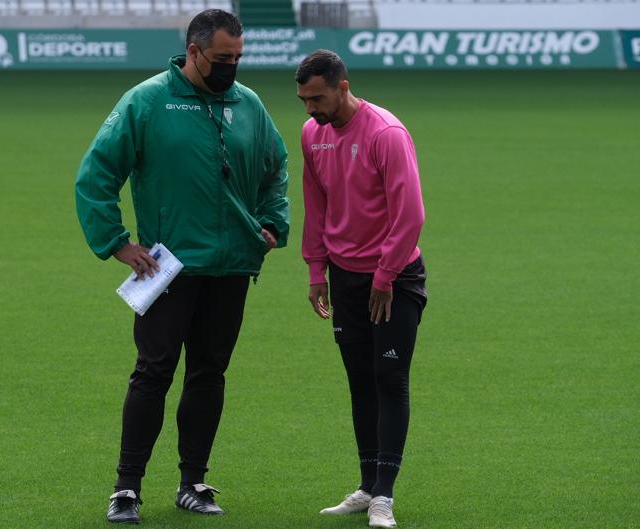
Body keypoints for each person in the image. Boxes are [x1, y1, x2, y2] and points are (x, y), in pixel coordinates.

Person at [75, 9, 289, 524]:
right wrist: (117, 243)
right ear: (193, 52)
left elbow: (275, 167)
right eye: (222, 58)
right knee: (152, 373)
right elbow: (96, 174)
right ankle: (126, 488)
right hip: (167, 270)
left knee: (209, 374)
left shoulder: (248, 103)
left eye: (238, 57)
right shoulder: (147, 101)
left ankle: (193, 482)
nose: (231, 67)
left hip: (231, 266)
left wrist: (271, 222)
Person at [296, 49, 427, 529]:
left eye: (318, 98)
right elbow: (316, 205)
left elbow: (410, 213)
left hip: (393, 279)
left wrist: (385, 276)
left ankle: (384, 497)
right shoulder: (313, 134)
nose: (311, 109)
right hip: (345, 277)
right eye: (304, 100)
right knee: (359, 381)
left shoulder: (385, 133)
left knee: (389, 378)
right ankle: (367, 485)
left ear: (343, 87)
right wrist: (317, 270)